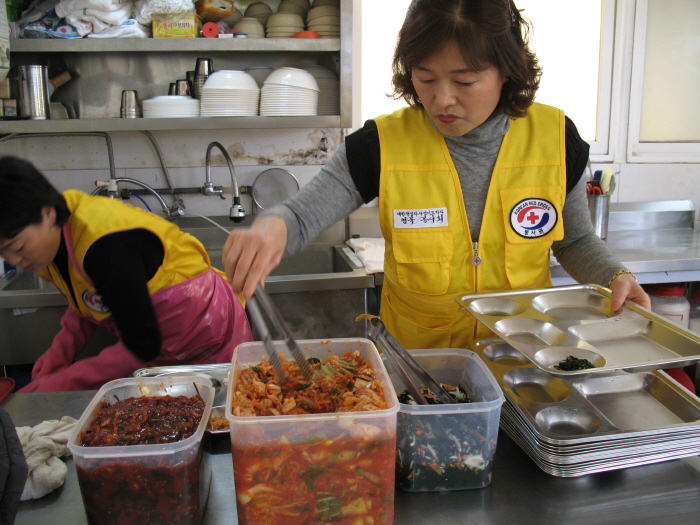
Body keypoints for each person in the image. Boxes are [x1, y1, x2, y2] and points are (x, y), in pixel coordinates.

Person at [222, 0, 650, 351]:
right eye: (425, 78)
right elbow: (299, 216)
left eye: (464, 81)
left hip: (521, 365)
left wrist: (616, 277)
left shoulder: (556, 138)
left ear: (507, 71)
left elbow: (573, 240)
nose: (442, 99)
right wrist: (272, 227)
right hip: (421, 372)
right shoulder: (381, 144)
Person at [0, 156, 252, 392]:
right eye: (3, 254)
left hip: (206, 328)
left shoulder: (107, 247)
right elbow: (89, 296)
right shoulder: (55, 235)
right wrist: (60, 351)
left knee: (224, 402)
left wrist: (63, 382)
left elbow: (142, 345)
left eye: (17, 248)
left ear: (47, 213)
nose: (15, 261)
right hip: (158, 344)